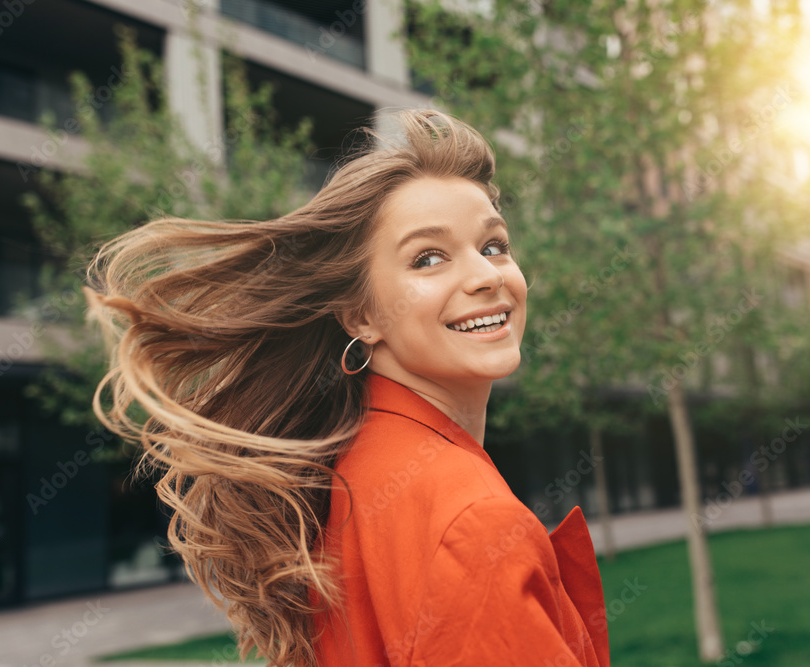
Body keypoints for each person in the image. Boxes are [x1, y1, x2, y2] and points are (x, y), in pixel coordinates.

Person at [86, 108, 610, 666]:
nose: (486, 275)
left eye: (494, 245)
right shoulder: (472, 523)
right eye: (428, 258)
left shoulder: (349, 471)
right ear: (361, 315)